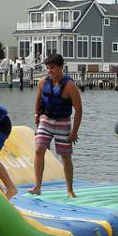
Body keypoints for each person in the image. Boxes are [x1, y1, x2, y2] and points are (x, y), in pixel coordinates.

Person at [29, 53, 82, 197]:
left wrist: (74, 132)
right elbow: (38, 100)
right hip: (46, 119)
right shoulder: (42, 82)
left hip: (63, 122)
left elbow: (79, 110)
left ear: (61, 67)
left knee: (65, 156)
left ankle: (70, 190)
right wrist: (36, 115)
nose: (49, 71)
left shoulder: (70, 86)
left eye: (52, 68)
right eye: (47, 68)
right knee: (39, 149)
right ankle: (37, 186)